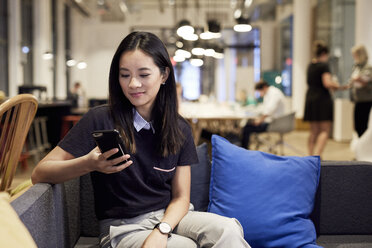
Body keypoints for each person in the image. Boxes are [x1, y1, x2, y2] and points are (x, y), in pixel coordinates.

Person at [31, 32, 249, 248]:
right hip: (123, 227)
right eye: (125, 75)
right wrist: (88, 164)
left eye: (143, 75)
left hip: (170, 217)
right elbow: (39, 172)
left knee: (228, 229)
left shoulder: (179, 127)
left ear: (164, 75)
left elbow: (182, 198)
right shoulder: (99, 119)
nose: (133, 84)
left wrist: (161, 230)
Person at [303, 41, 340, 157]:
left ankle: (310, 156)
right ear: (324, 53)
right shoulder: (324, 66)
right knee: (324, 130)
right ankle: (318, 156)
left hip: (310, 98)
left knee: (313, 130)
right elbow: (327, 83)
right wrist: (336, 85)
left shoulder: (310, 65)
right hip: (322, 99)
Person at [241, 80, 286, 149]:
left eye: (259, 91)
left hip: (274, 123)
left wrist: (260, 120)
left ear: (264, 87)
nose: (260, 94)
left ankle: (243, 150)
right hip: (271, 121)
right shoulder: (269, 94)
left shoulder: (274, 93)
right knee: (249, 124)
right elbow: (265, 108)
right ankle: (244, 148)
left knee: (247, 128)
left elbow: (269, 110)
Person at [347, 45, 372, 137]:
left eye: (355, 55)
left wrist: (359, 80)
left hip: (366, 100)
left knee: (363, 125)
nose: (354, 57)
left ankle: (364, 148)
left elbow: (366, 82)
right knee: (357, 125)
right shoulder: (356, 67)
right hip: (357, 100)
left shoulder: (368, 67)